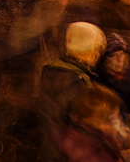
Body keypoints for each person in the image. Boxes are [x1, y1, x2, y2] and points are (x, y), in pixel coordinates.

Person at [39, 21, 105, 159]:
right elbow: (90, 133)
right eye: (97, 49)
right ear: (91, 51)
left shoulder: (52, 70)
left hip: (49, 151)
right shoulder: (78, 84)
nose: (98, 54)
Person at [54, 85, 129, 162]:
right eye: (112, 118)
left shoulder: (88, 132)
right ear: (100, 120)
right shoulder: (89, 149)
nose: (117, 123)